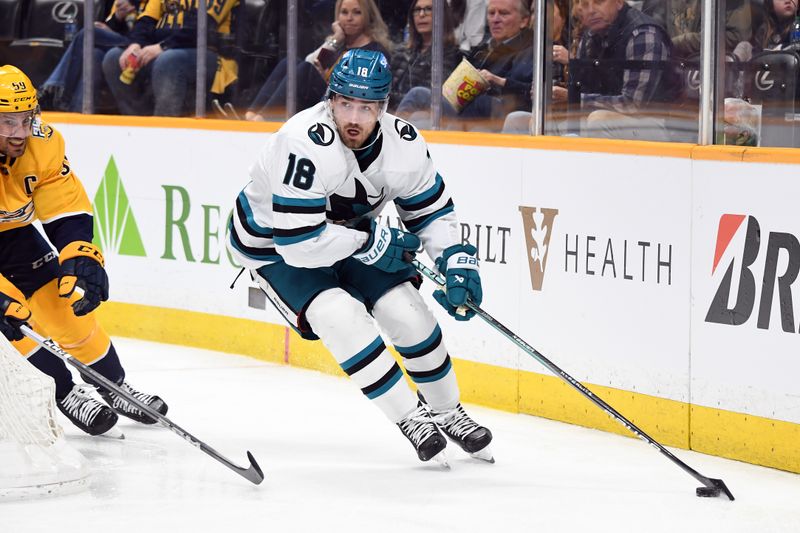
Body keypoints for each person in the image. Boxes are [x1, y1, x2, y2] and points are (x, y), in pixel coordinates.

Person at [227, 50, 493, 464]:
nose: (353, 116)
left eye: (366, 107)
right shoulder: (302, 142)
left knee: (407, 310)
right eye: (345, 103)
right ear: (330, 99)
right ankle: (411, 418)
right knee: (339, 314)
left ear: (383, 108)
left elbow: (432, 212)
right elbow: (298, 243)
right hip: (273, 246)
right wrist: (370, 243)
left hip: (350, 234)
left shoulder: (404, 145)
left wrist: (455, 259)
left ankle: (446, 410)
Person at [0, 65, 168, 437]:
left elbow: (64, 206)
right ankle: (65, 390)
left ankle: (114, 385)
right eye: (7, 122)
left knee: (64, 308)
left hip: (13, 234)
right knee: (16, 319)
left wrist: (80, 253)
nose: (19, 134)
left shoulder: (42, 143)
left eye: (25, 120)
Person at [395, 0, 533, 131]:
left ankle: (388, 140)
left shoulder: (531, 51)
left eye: (503, 13)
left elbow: (534, 94)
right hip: (466, 110)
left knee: (419, 94)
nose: (495, 19)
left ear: (524, 20)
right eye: (491, 13)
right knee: (419, 117)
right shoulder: (484, 48)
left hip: (491, 114)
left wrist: (499, 81)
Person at [245, 0, 392, 121]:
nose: (349, 18)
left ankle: (265, 119)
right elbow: (310, 61)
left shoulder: (374, 51)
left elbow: (359, 90)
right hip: (322, 98)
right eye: (344, 12)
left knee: (305, 69)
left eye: (357, 12)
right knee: (290, 63)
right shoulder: (340, 44)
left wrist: (329, 80)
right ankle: (253, 114)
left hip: (342, 107)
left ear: (368, 16)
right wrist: (335, 40)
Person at [561, 0, 682, 141]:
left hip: (663, 124)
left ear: (618, 2)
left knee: (599, 121)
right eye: (585, 4)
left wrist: (573, 98)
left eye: (599, 1)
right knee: (552, 123)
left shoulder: (643, 33)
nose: (591, 10)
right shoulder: (590, 37)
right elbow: (584, 87)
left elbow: (633, 105)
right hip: (613, 115)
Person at [101, 0, 238, 116]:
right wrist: (136, 43)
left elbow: (200, 27)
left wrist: (163, 46)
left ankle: (163, 130)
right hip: (164, 49)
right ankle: (138, 126)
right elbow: (146, 21)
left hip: (210, 54)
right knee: (114, 58)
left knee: (169, 61)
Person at [38, 0, 142, 113]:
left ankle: (60, 94)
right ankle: (77, 113)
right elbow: (111, 24)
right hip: (121, 40)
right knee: (94, 55)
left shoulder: (150, 4)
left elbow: (147, 28)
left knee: (87, 34)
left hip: (138, 43)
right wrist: (117, 18)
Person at [388, 0, 462, 111]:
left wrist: (391, 98)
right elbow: (382, 90)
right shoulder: (400, 51)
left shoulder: (451, 54)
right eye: (417, 10)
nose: (421, 14)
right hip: (389, 112)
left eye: (428, 9)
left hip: (422, 118)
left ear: (443, 15)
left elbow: (423, 97)